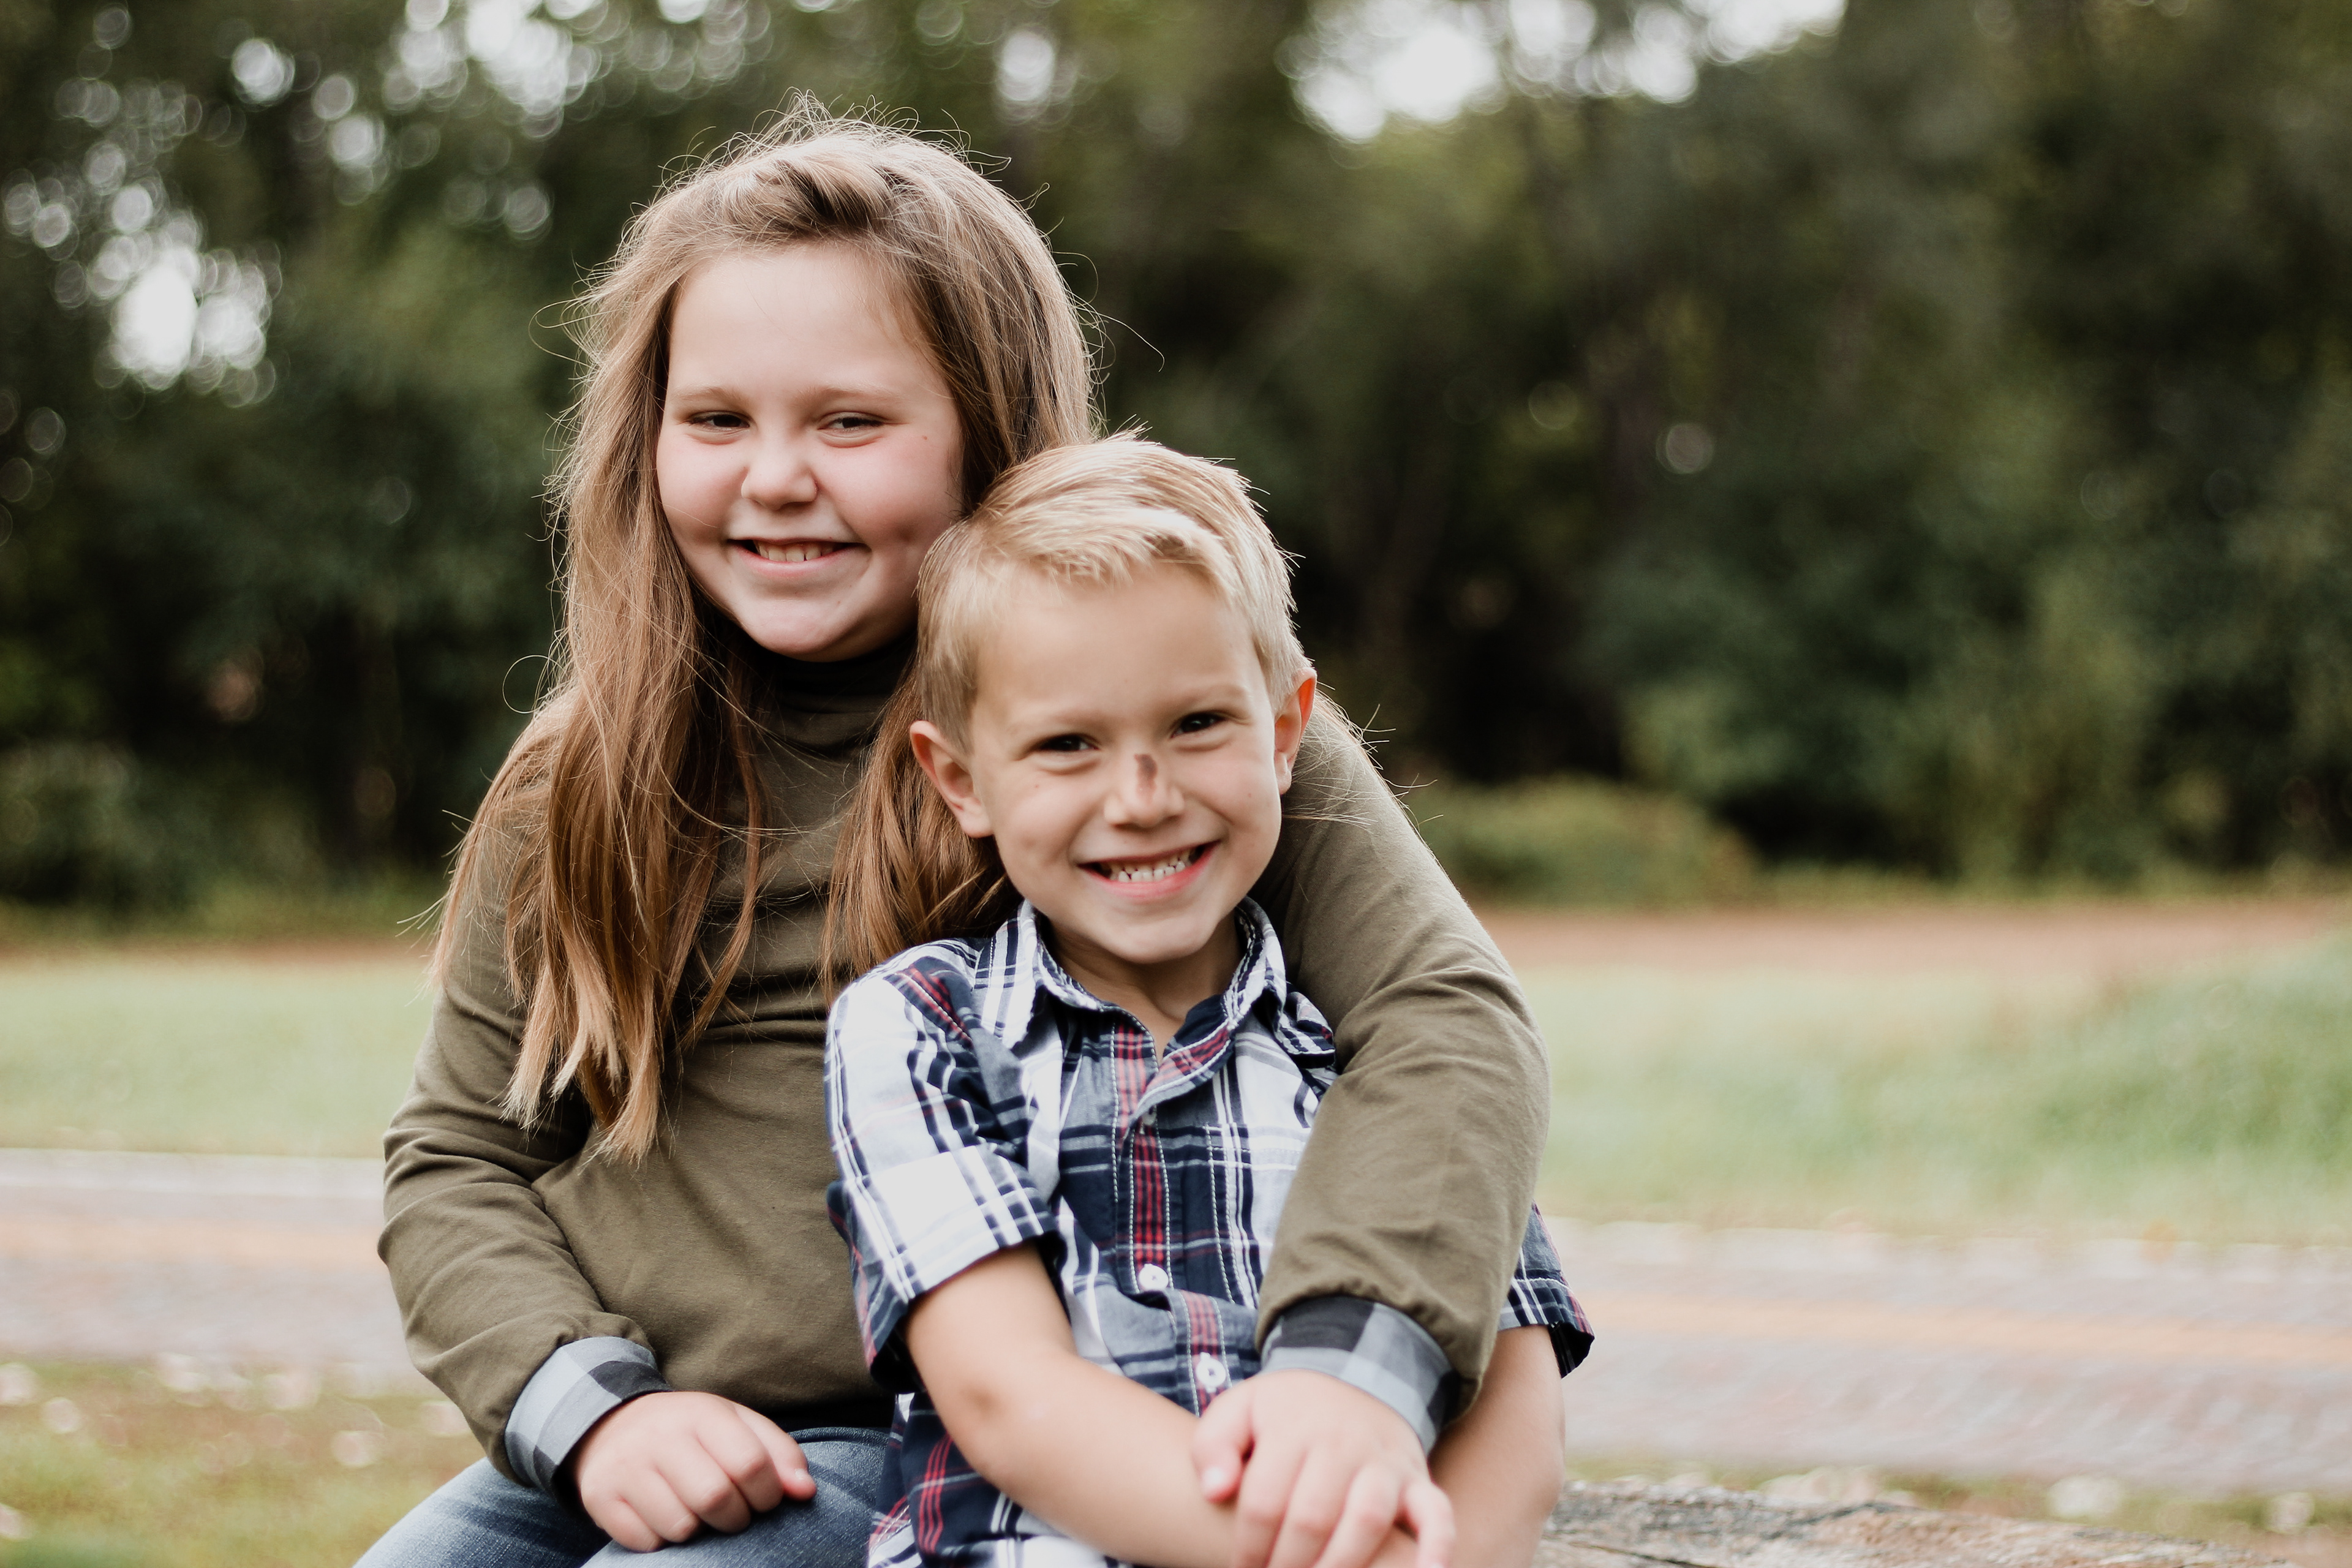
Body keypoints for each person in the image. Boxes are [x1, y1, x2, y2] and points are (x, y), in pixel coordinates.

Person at [363, 108, 1559, 1568]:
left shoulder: (1156, 728)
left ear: (991, 430)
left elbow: (1446, 1019)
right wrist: (593, 1406)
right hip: (630, 1422)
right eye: (717, 419)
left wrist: (1346, 1369)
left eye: (850, 422)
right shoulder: (586, 776)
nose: (775, 475)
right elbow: (458, 1153)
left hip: (926, 1444)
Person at [825, 437, 1590, 1568]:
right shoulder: (922, 1028)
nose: (1142, 798)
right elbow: (1010, 1400)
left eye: (1196, 726)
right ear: (961, 780)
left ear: (1286, 733)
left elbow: (1518, 1422)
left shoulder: (1377, 1053)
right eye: (1068, 745)